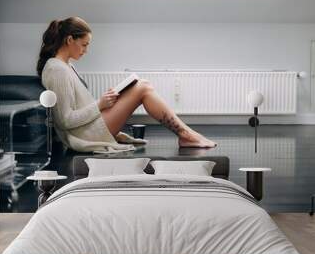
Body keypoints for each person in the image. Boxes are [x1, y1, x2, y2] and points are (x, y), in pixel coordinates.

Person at [38, 17, 216, 153]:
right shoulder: (57, 70)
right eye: (84, 45)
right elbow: (65, 120)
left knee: (140, 84)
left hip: (90, 125)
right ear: (69, 40)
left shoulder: (66, 66)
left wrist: (107, 100)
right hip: (84, 134)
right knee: (143, 88)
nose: (86, 50)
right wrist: (100, 104)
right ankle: (186, 135)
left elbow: (80, 105)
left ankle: (186, 134)